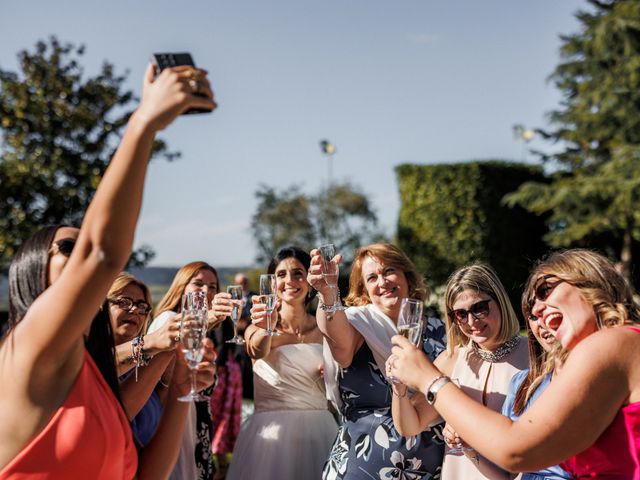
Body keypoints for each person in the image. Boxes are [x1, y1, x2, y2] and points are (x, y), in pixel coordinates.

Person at [0, 63, 216, 479]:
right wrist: (144, 123)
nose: (82, 250)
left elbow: (145, 474)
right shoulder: (25, 350)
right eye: (68, 247)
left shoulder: (90, 376)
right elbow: (101, 251)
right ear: (30, 271)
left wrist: (182, 392)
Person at [387, 249, 640, 478]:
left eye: (544, 291)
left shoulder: (611, 343)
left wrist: (430, 380)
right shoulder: (588, 354)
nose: (538, 310)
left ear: (589, 283)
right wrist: (400, 386)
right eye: (531, 306)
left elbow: (516, 449)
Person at [308, 243, 447, 480]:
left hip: (431, 470)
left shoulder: (439, 331)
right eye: (372, 277)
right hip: (364, 468)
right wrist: (328, 293)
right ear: (364, 290)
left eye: (389, 271)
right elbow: (339, 344)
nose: (382, 282)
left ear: (407, 276)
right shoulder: (357, 325)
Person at [389, 263, 528, 479]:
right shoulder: (452, 358)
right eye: (461, 314)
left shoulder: (534, 355)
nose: (471, 322)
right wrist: (398, 387)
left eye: (479, 308)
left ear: (499, 300)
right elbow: (410, 425)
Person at [226, 246, 338, 480]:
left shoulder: (326, 328)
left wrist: (333, 375)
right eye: (281, 274)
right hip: (271, 439)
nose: (290, 280)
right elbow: (257, 348)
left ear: (309, 279)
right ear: (272, 282)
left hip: (321, 433)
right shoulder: (256, 327)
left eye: (298, 273)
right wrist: (268, 326)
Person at [106, 272, 216, 448]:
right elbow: (120, 411)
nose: (134, 310)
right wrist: (156, 342)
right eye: (124, 302)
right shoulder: (87, 358)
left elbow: (162, 410)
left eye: (142, 306)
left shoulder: (144, 368)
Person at [150, 261, 227, 480]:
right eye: (198, 283)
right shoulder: (167, 321)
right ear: (181, 287)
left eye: (213, 287)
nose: (206, 291)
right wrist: (206, 320)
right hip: (174, 421)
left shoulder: (201, 331)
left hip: (195, 421)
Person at [500, 298, 570, 480]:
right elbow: (509, 465)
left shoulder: (599, 378)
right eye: (533, 316)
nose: (543, 322)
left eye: (551, 311)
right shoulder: (522, 382)